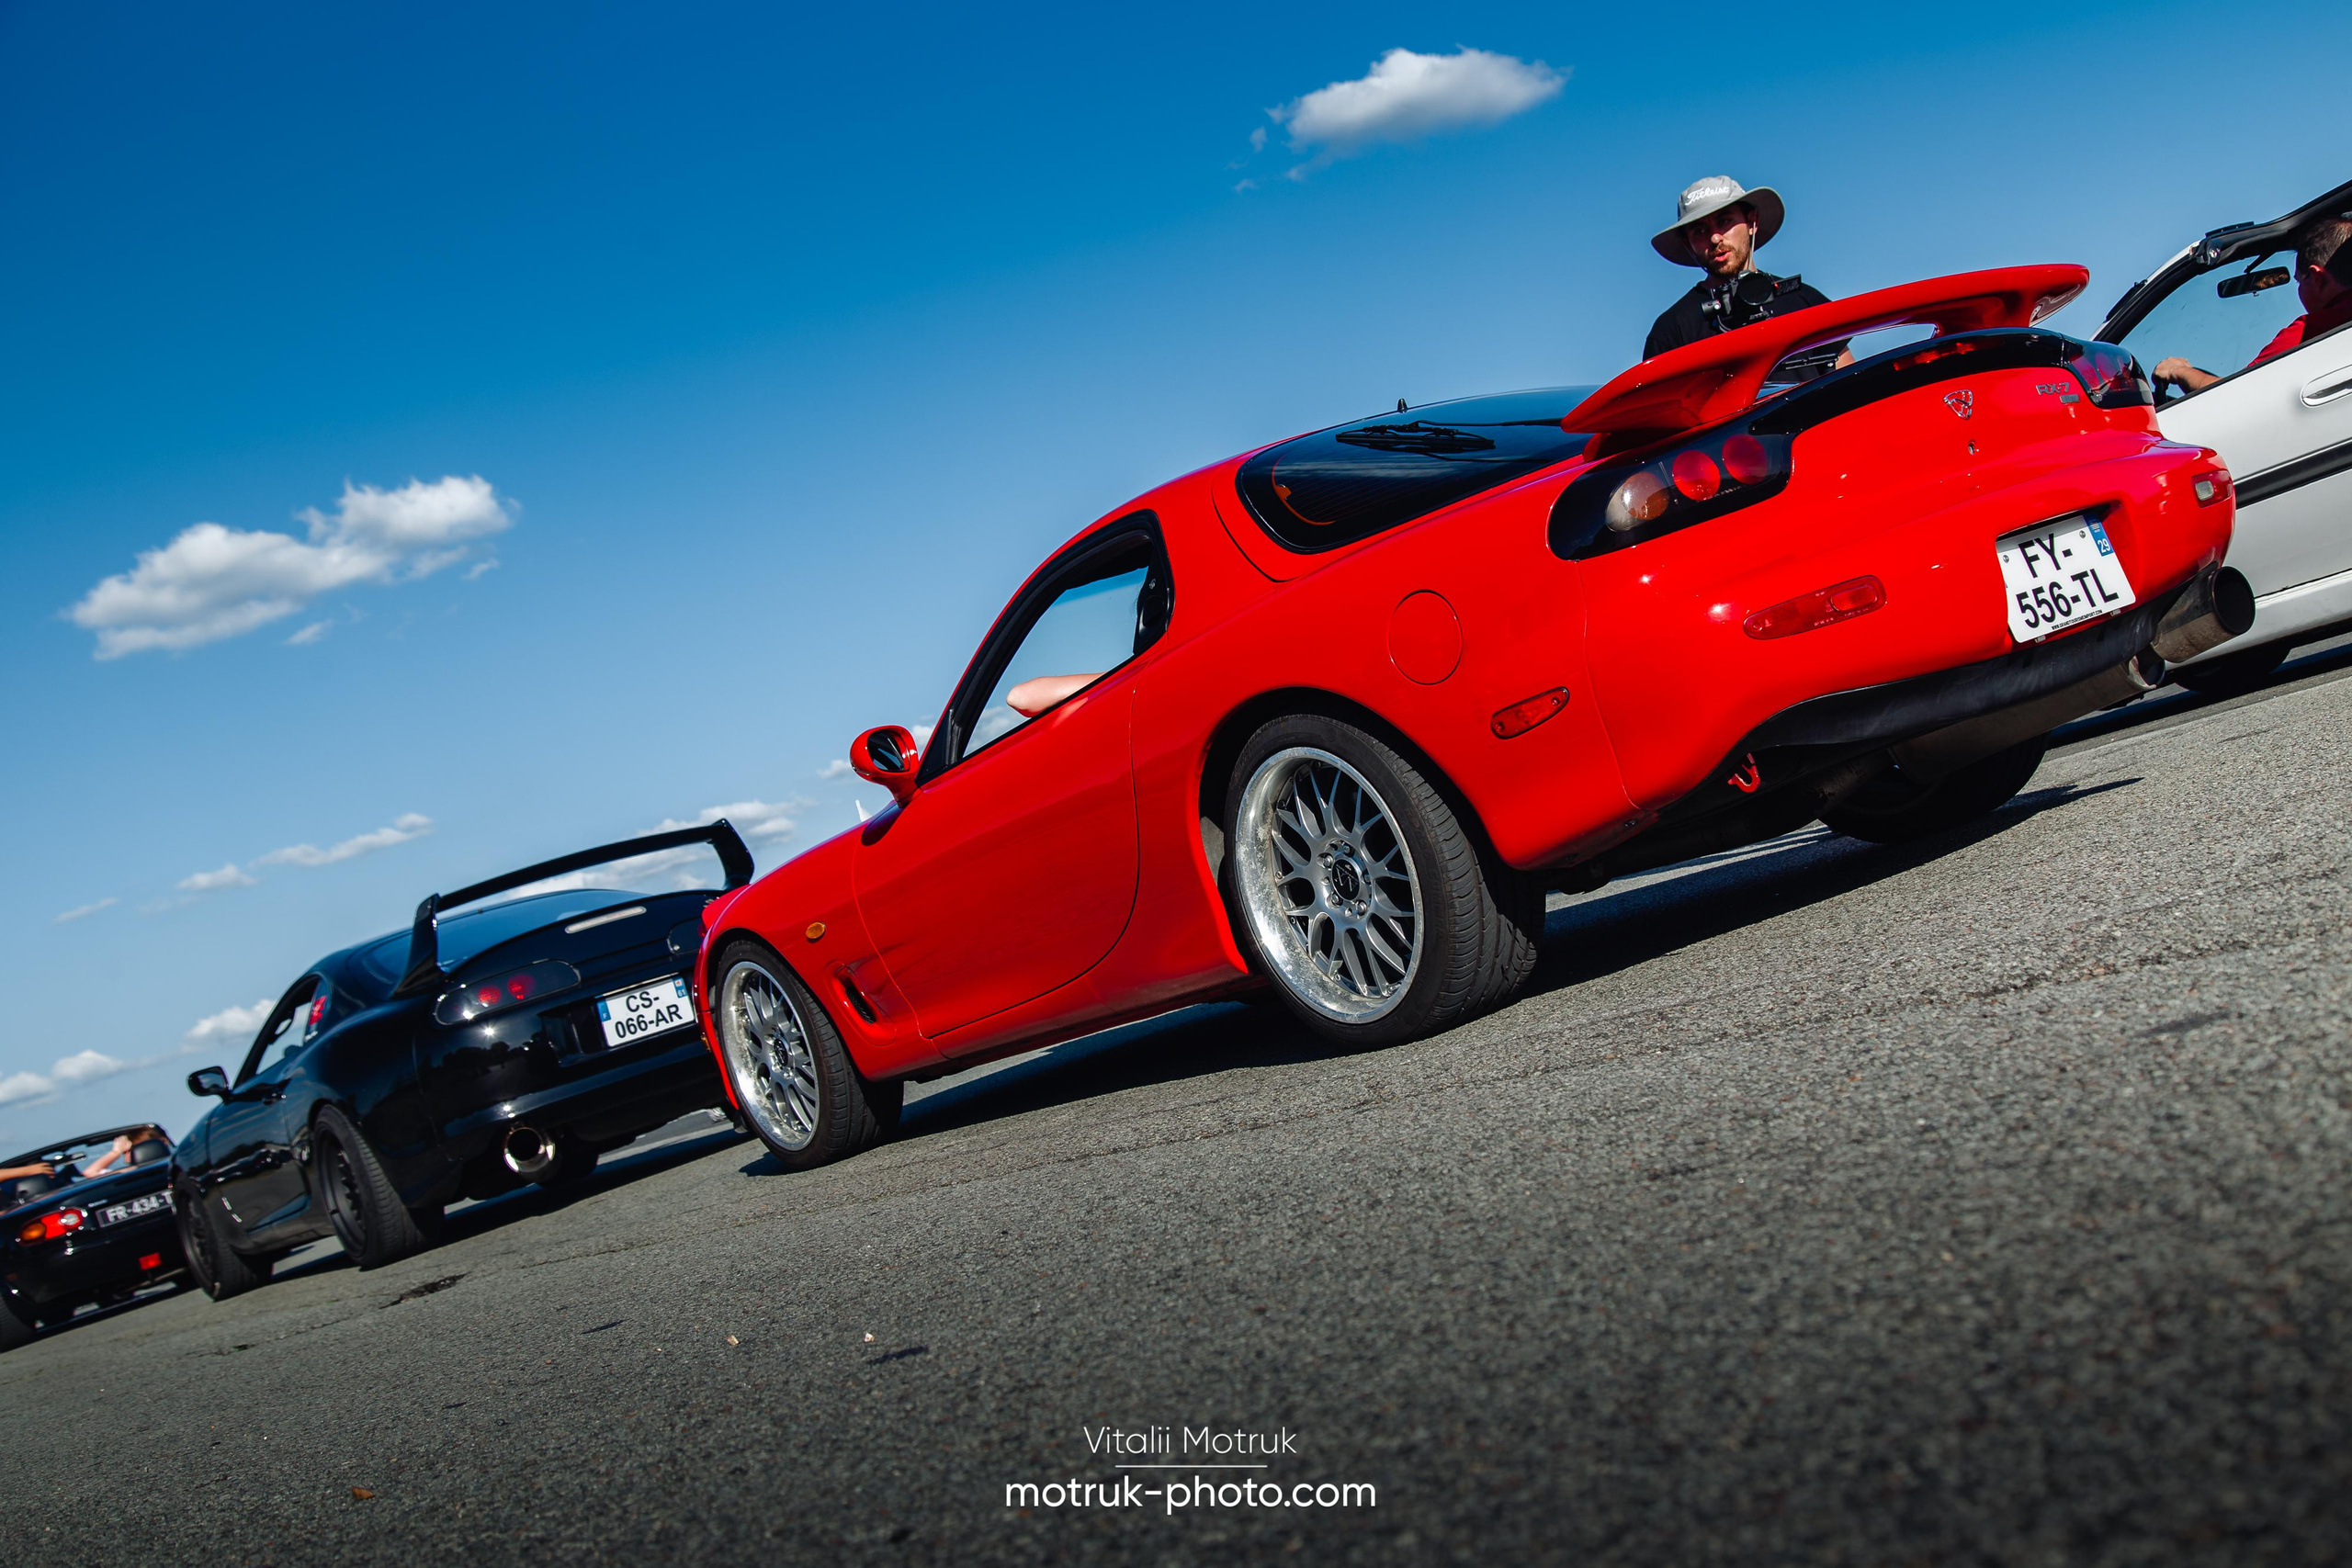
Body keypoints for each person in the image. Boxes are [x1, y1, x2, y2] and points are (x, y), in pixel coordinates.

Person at [1643, 175, 1842, 376]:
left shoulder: (1803, 300)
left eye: (1724, 221)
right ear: (1688, 245)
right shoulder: (1671, 330)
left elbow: (1848, 380)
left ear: (1752, 222)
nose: (1714, 238)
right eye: (1699, 231)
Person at [2154, 216, 2352, 393]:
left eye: (2299, 281)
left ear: (2318, 278)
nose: (2299, 292)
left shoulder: (2309, 330)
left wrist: (2179, 372)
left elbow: (2234, 395)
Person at [82, 1126, 168, 1179]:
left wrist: (115, 1152)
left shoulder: (126, 1174)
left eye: (126, 1152)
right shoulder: (174, 1164)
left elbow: (90, 1172)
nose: (125, 1156)